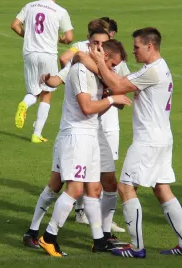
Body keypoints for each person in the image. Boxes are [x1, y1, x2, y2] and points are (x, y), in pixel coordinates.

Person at [81, 28, 182, 258]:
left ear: (149, 47)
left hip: (148, 141)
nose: (133, 51)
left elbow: (118, 86)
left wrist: (98, 62)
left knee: (125, 187)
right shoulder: (158, 68)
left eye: (136, 47)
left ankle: (136, 247)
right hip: (163, 138)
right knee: (162, 189)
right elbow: (121, 81)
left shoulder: (152, 71)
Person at [23, 31, 128, 251]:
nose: (114, 69)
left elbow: (115, 91)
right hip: (76, 136)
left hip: (90, 135)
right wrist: (111, 98)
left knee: (92, 189)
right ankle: (48, 237)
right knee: (72, 189)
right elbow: (87, 107)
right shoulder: (80, 69)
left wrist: (111, 91)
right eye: (113, 64)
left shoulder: (98, 70)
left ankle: (99, 240)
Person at [60, 17, 127, 234]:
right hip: (82, 129)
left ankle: (102, 233)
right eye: (95, 42)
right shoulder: (83, 57)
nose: (99, 47)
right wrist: (106, 80)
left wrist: (110, 86)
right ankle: (48, 231)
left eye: (103, 42)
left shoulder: (117, 60)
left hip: (107, 126)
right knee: (76, 185)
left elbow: (120, 93)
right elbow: (76, 57)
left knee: (103, 182)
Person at [11, 0, 73, 143]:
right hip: (48, 55)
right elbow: (69, 37)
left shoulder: (30, 6)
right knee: (46, 93)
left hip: (29, 53)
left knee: (33, 91)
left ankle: (25, 103)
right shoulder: (60, 11)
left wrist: (27, 35)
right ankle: (36, 134)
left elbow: (15, 25)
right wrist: (60, 39)